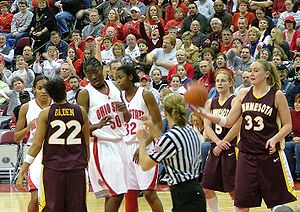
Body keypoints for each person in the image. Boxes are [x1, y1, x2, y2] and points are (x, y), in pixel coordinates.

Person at [193, 59, 297, 211]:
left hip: (269, 155)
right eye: (250, 70)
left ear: (266, 73)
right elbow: (228, 121)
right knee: (241, 204)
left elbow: (288, 125)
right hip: (246, 155)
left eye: (256, 70)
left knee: (276, 204)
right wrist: (206, 114)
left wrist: (275, 139)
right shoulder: (242, 94)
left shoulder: (277, 95)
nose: (251, 73)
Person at [16, 77, 90, 212]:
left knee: (52, 207)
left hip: (53, 169)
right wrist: (86, 165)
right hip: (77, 168)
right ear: (65, 91)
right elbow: (86, 143)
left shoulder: (45, 114)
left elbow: (37, 145)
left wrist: (23, 169)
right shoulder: (81, 111)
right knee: (77, 207)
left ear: (50, 94)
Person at [77, 58, 131, 212]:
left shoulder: (114, 86)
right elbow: (79, 128)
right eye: (89, 74)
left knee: (111, 192)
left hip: (121, 142)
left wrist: (125, 111)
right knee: (118, 192)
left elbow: (126, 119)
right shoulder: (85, 93)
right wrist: (96, 126)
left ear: (103, 69)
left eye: (96, 72)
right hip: (102, 146)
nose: (93, 77)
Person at [137, 92, 206, 212]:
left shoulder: (170, 137)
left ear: (165, 112)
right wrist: (151, 126)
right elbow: (165, 145)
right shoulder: (190, 130)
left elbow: (144, 165)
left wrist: (141, 141)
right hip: (194, 190)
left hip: (183, 193)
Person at [115, 65, 164, 212]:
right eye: (116, 78)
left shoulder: (145, 94)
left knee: (149, 193)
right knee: (130, 193)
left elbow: (158, 124)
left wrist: (143, 145)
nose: (118, 81)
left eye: (120, 77)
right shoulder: (118, 97)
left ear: (130, 77)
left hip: (145, 146)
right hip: (125, 147)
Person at [202, 70, 241, 212]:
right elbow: (207, 126)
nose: (219, 83)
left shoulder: (236, 100)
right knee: (207, 188)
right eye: (217, 80)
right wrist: (218, 142)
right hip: (215, 147)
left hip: (231, 147)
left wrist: (223, 142)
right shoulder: (210, 102)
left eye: (223, 80)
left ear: (231, 82)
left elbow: (237, 125)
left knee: (233, 190)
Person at [14, 75, 51, 212]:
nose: (43, 91)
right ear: (34, 89)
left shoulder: (56, 105)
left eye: (46, 88)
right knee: (35, 198)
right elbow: (16, 138)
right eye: (40, 88)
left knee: (53, 197)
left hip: (54, 152)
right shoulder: (26, 108)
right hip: (34, 155)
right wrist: (28, 128)